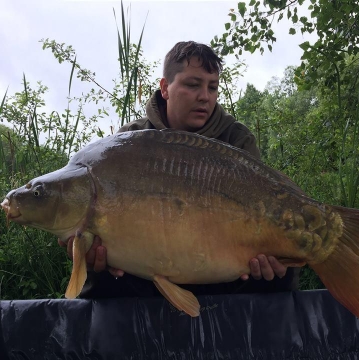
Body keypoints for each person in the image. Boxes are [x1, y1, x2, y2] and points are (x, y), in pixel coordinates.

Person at [60, 41, 299, 298]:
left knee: (279, 273)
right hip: (144, 275)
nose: (204, 96)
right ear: (165, 88)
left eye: (212, 87)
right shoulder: (129, 141)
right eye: (192, 85)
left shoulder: (236, 139)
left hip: (222, 272)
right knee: (103, 271)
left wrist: (272, 255)